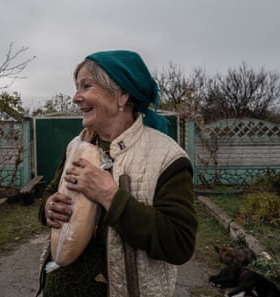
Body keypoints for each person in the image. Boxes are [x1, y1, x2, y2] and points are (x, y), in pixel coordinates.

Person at [36, 50, 198, 297]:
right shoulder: (75, 147)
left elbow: (179, 243)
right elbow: (50, 194)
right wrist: (48, 206)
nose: (75, 97)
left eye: (86, 86)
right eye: (76, 87)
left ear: (122, 95)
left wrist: (110, 196)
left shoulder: (168, 158)